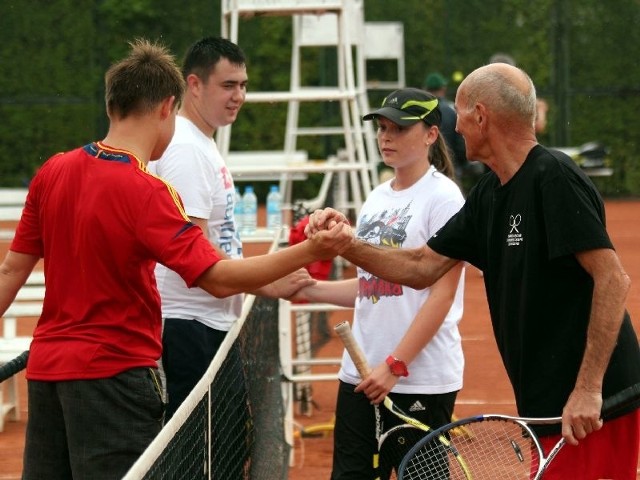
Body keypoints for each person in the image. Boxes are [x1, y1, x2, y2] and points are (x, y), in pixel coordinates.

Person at [0, 38, 350, 480]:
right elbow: (216, 278)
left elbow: (11, 270)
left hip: (48, 374)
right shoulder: (147, 191)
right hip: (114, 375)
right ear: (169, 106)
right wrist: (311, 250)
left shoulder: (54, 170)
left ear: (111, 106)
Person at [308, 63, 640, 479]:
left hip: (596, 404)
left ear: (480, 116)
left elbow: (612, 279)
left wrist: (589, 389)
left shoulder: (552, 175)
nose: (456, 127)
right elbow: (421, 266)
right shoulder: (489, 192)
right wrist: (347, 244)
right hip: (550, 405)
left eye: (460, 115)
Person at [293, 88, 466, 479]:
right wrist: (310, 289)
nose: (386, 137)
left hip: (417, 378)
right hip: (359, 374)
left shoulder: (445, 199)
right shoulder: (375, 198)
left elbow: (441, 295)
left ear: (430, 135)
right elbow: (373, 287)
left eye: (400, 129)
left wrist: (395, 366)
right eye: (383, 128)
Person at [149, 36, 310, 424]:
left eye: (243, 85)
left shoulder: (201, 143)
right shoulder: (186, 149)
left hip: (204, 322)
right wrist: (269, 280)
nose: (238, 95)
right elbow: (198, 254)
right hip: (187, 326)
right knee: (204, 453)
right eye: (228, 85)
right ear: (194, 85)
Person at [423, 72, 468, 179]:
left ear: (425, 89)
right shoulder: (452, 110)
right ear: (443, 89)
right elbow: (461, 144)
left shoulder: (417, 112)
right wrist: (462, 165)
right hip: (450, 170)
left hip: (424, 170)